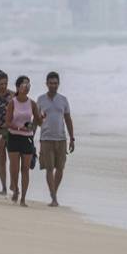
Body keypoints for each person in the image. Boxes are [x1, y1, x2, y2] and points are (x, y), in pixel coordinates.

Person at [37, 71, 75, 207]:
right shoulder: (41, 99)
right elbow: (36, 119)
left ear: (58, 84)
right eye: (51, 83)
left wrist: (72, 138)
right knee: (49, 168)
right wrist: (32, 136)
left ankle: (54, 194)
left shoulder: (63, 100)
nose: (53, 85)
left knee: (60, 168)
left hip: (61, 139)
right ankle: (53, 197)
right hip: (46, 138)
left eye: (55, 83)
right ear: (46, 84)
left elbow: (68, 119)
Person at [4, 75, 42, 207]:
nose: (27, 87)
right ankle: (15, 188)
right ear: (18, 87)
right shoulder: (12, 102)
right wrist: (19, 127)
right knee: (14, 168)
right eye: (24, 85)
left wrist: (42, 118)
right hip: (14, 137)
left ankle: (23, 199)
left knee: (25, 169)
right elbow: (7, 123)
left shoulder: (32, 103)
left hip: (27, 139)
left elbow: (39, 121)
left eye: (28, 85)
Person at [0, 70, 12, 195]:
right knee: (1, 159)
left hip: (11, 131)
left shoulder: (13, 96)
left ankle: (13, 185)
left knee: (13, 159)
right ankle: (4, 187)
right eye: (1, 84)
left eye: (5, 83)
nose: (4, 86)